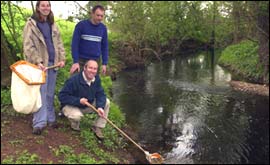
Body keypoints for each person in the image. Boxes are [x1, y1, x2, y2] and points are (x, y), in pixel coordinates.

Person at [23, 1, 66, 135]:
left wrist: (62, 58)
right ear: (38, 8)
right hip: (40, 65)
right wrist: (38, 61)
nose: (46, 8)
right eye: (43, 6)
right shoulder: (31, 25)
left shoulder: (52, 24)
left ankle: (50, 118)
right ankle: (39, 122)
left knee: (49, 92)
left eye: (48, 5)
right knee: (40, 93)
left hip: (53, 64)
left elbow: (59, 43)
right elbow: (28, 46)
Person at [58, 60, 110, 140]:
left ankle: (97, 126)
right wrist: (78, 101)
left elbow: (100, 94)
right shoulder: (73, 80)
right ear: (85, 68)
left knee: (106, 102)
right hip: (71, 105)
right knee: (76, 117)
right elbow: (62, 96)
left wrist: (100, 107)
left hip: (86, 105)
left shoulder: (96, 79)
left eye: (95, 69)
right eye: (90, 68)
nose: (92, 71)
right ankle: (75, 126)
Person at [69, 5, 109, 75]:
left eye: (101, 16)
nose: (100, 18)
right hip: (81, 60)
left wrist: (104, 63)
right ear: (92, 14)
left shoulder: (103, 28)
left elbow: (105, 47)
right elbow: (75, 44)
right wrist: (75, 62)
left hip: (95, 61)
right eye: (98, 15)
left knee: (92, 84)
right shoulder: (81, 25)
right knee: (75, 83)